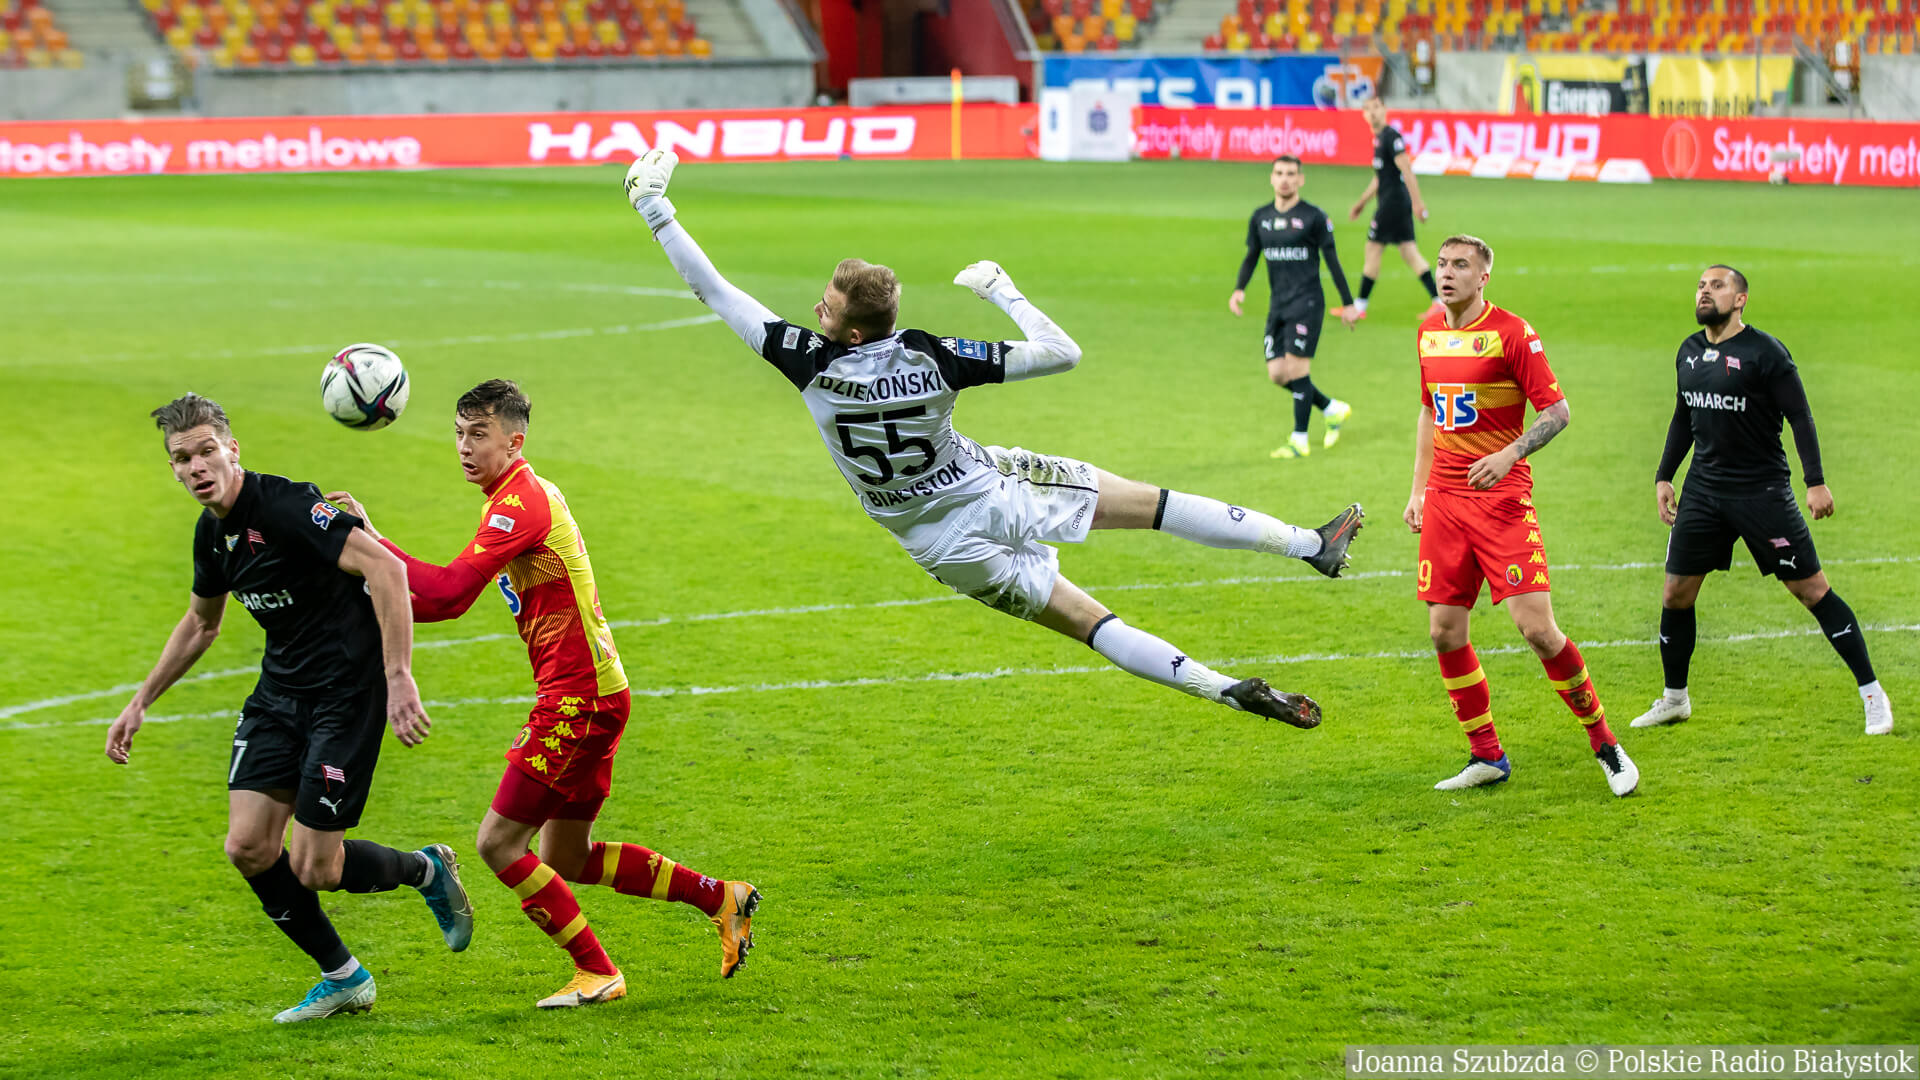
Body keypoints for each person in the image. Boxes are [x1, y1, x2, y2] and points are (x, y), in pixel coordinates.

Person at [623, 149, 1363, 729]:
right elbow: (1063, 353)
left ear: (848, 330)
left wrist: (655, 209)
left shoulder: (806, 362)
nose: (816, 307)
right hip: (994, 489)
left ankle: (1222, 689)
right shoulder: (933, 356)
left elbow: (715, 289)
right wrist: (1001, 289)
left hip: (937, 546)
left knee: (1091, 624)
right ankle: (1308, 544)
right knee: (1155, 506)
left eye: (826, 302)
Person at [326, 379, 758, 1010]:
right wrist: (375, 562)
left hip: (577, 699)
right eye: (459, 433)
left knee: (498, 843)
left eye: (479, 435)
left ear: (514, 440)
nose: (464, 447)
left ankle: (597, 971)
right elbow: (438, 605)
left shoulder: (520, 503)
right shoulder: (512, 498)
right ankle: (721, 897)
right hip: (597, 693)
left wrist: (370, 545)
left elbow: (446, 593)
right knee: (566, 855)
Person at [106, 393, 473, 1023]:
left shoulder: (286, 507)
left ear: (232, 450)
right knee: (248, 846)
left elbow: (386, 570)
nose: (197, 467)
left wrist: (399, 676)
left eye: (206, 451)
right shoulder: (212, 535)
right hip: (278, 697)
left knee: (314, 866)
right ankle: (344, 977)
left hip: (345, 697)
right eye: (183, 458)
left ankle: (425, 869)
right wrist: (140, 701)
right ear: (173, 468)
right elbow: (201, 623)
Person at [1403, 235, 1639, 796]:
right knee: (1443, 632)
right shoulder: (1429, 331)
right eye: (1442, 264)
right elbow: (1429, 411)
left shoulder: (1512, 333)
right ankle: (1486, 755)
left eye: (1461, 265)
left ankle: (1606, 744)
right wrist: (1418, 491)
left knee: (1537, 629)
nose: (1447, 273)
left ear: (1483, 277)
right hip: (1445, 500)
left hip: (1502, 500)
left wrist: (1510, 454)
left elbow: (1558, 411)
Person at [1632, 265, 1891, 735]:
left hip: (1761, 493)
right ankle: (1674, 699)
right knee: (1676, 593)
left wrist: (1815, 482)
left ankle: (1872, 694)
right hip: (1703, 491)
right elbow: (1683, 415)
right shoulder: (1688, 352)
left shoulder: (1765, 353)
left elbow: (1800, 416)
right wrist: (1664, 475)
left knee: (1811, 591)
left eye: (1717, 286)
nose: (1705, 292)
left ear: (1741, 299)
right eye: (1701, 285)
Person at [1229, 155, 1362, 460]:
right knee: (1277, 374)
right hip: (1278, 305)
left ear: (1300, 179)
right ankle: (1331, 408)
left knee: (1297, 369)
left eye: (1291, 173)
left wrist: (1348, 303)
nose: (1285, 179)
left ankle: (1299, 439)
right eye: (1279, 173)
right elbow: (1252, 256)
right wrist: (1239, 289)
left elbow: (1333, 261)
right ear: (1271, 178)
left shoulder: (1314, 217)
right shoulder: (1260, 217)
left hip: (1307, 303)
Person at [1348, 97, 1439, 319]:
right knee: (1409, 252)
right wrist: (1362, 202)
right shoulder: (1379, 140)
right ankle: (1439, 302)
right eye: (1367, 109)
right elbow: (1379, 178)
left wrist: (1418, 202)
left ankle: (1359, 307)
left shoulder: (1391, 137)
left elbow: (1406, 170)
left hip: (1392, 203)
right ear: (1363, 115)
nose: (1372, 112)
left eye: (1376, 107)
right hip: (1395, 202)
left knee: (1373, 248)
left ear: (1385, 110)